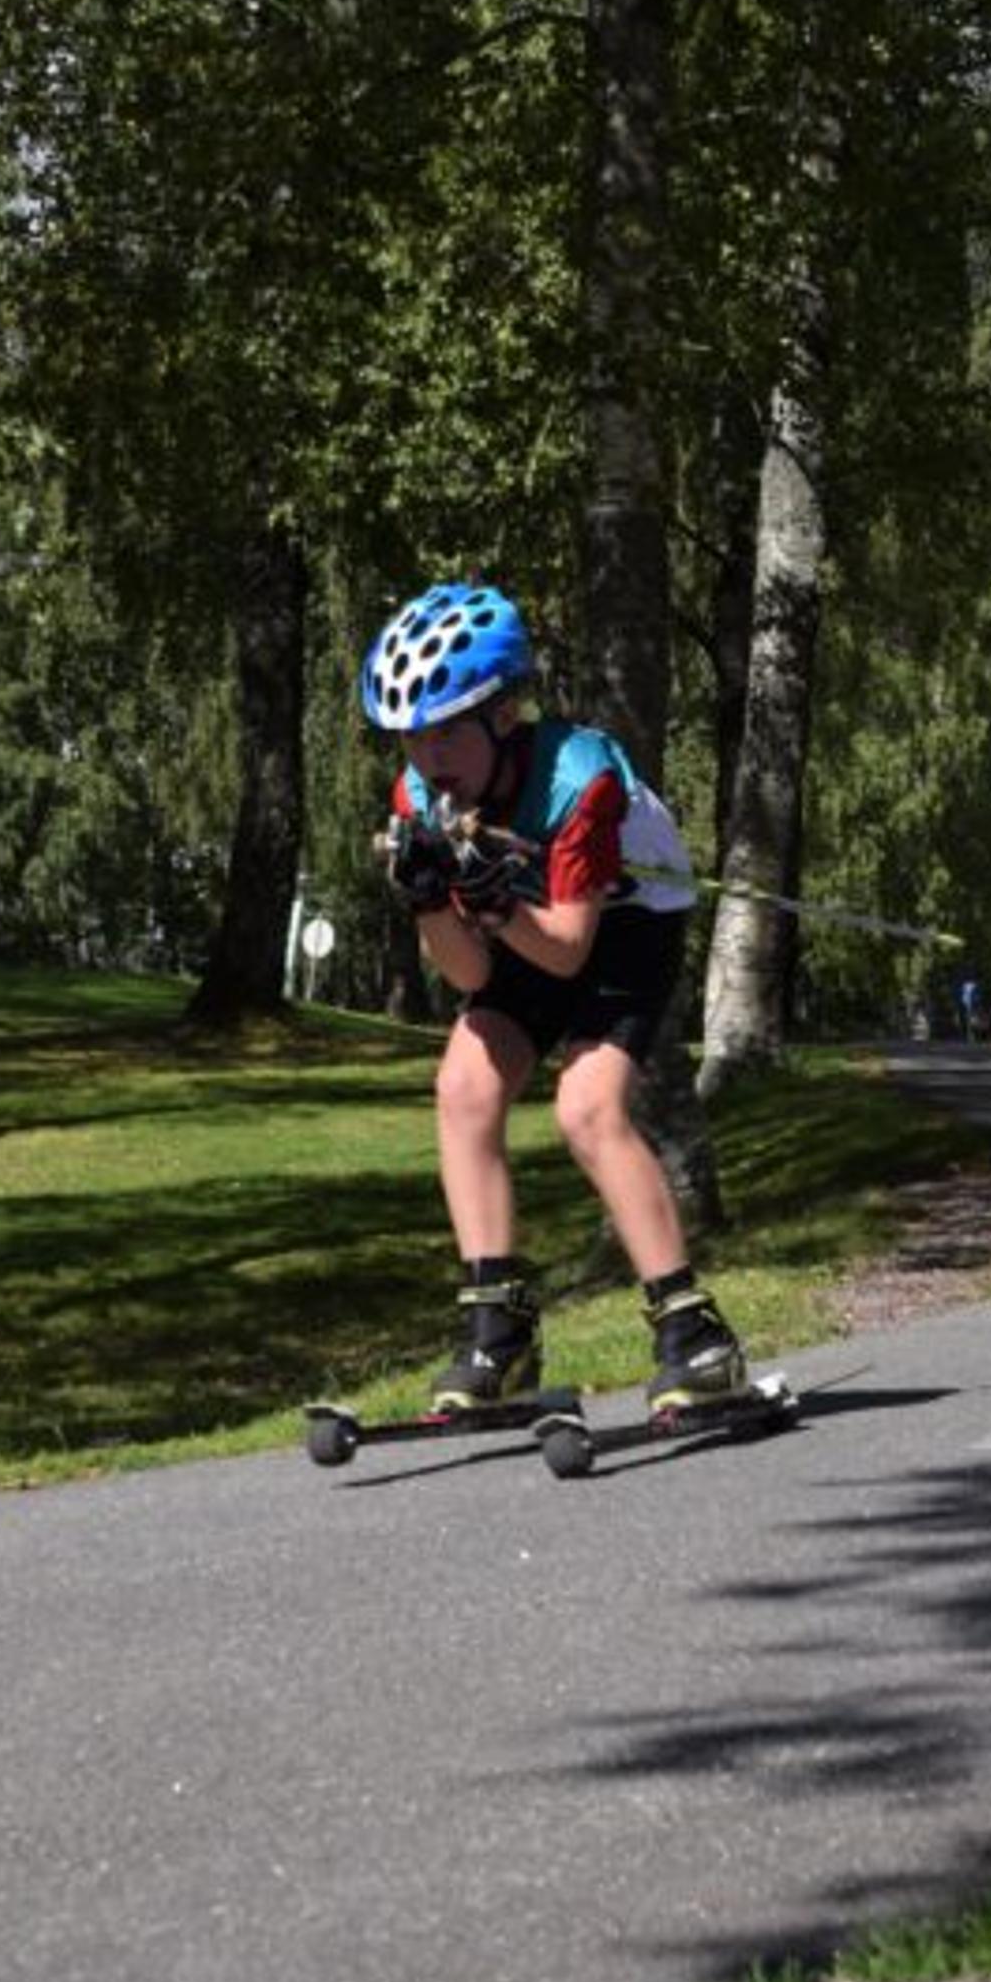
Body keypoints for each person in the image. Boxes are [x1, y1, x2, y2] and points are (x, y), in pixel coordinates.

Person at [361, 580, 747, 1415]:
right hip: (526, 923)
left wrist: (495, 901)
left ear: (504, 716)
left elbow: (569, 951)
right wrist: (430, 902)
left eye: (444, 731)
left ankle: (693, 1331)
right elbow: (470, 975)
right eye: (409, 736)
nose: (426, 756)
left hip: (627, 924)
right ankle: (497, 1332)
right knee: (463, 1087)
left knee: (587, 1108)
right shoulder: (419, 796)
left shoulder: (580, 777)